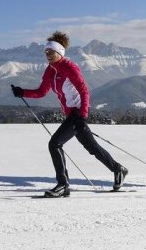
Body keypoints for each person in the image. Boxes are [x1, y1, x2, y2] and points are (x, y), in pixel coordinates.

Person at [11, 31, 128, 197]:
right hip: (71, 115)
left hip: (77, 113)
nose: (48, 55)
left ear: (59, 52)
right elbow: (42, 92)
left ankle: (63, 185)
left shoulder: (69, 67)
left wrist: (82, 116)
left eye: (50, 52)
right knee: (92, 147)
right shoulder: (50, 70)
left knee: (55, 144)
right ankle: (118, 169)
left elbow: (84, 91)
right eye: (46, 52)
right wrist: (22, 92)